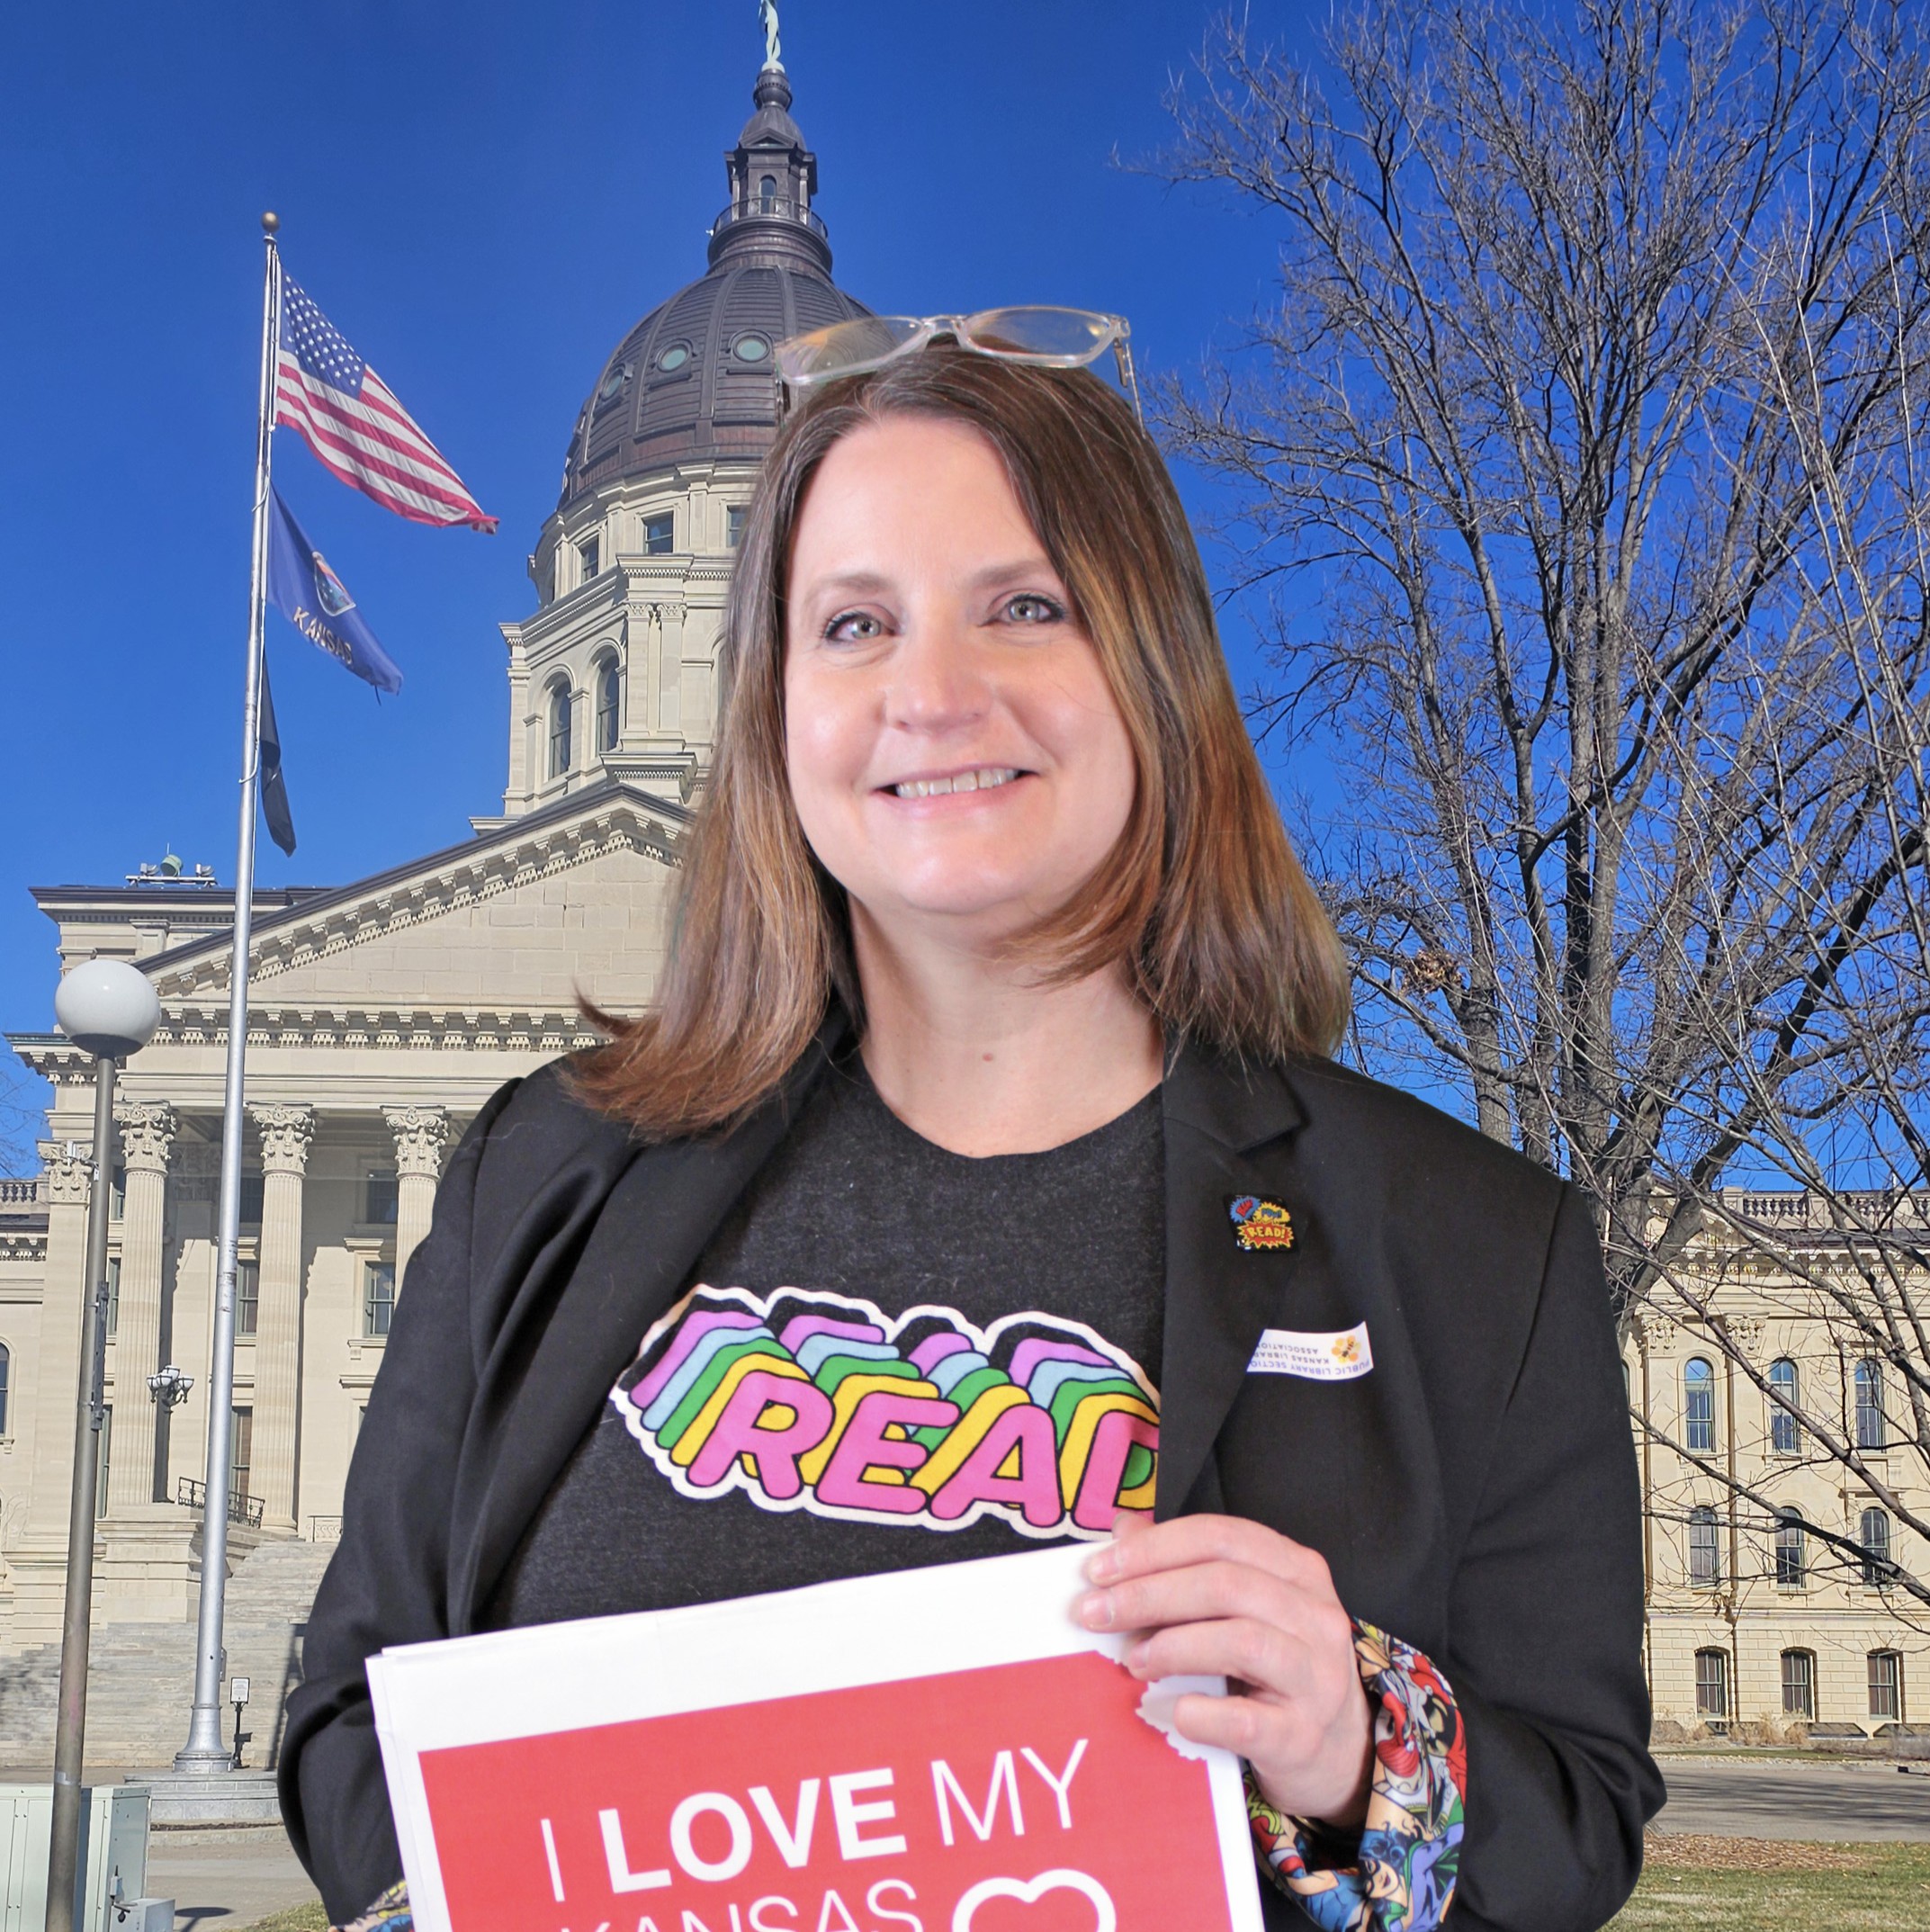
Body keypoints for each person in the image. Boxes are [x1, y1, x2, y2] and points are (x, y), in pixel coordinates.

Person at [280, 311, 1662, 1932]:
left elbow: (1572, 1832)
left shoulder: (1470, 1244)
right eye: (853, 624)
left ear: (1150, 673)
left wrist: (1356, 1744)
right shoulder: (551, 1168)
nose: (930, 693)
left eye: (1024, 606)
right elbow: (352, 1727)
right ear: (773, 711)